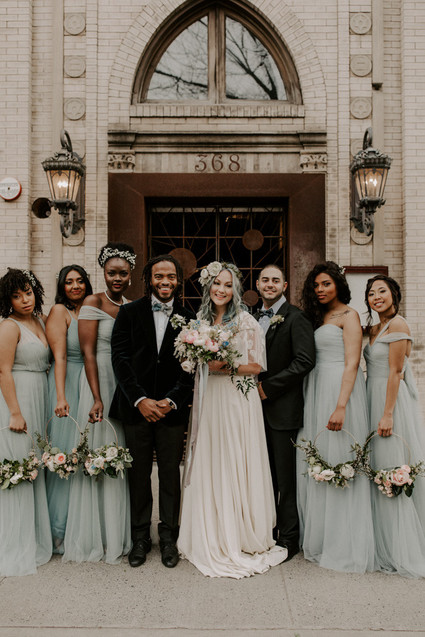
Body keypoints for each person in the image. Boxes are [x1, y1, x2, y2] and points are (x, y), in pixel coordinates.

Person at [177, 261, 286, 578]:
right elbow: (193, 361)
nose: (221, 290)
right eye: (217, 284)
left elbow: (256, 366)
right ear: (208, 287)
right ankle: (210, 528)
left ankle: (238, 532)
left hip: (237, 398)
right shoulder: (200, 321)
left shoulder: (246, 321)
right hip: (210, 399)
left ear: (235, 289)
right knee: (212, 458)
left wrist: (221, 366)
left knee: (235, 457)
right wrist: (195, 360)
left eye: (227, 285)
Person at [110, 254, 194, 569]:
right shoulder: (129, 312)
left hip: (172, 411)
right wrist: (140, 399)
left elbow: (191, 367)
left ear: (178, 281)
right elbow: (119, 358)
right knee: (139, 474)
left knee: (171, 474)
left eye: (170, 276)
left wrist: (171, 401)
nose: (165, 281)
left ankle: (169, 537)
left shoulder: (189, 318)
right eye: (159, 276)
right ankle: (140, 538)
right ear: (149, 280)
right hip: (136, 410)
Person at [297, 261, 375, 572]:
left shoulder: (349, 315)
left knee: (338, 457)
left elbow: (352, 363)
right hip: (315, 388)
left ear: (339, 285)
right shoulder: (317, 317)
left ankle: (343, 540)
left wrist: (341, 405)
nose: (320, 290)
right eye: (316, 285)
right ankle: (320, 535)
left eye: (326, 284)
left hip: (338, 389)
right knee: (317, 456)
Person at [63, 243, 135, 564]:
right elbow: (88, 353)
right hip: (99, 380)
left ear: (130, 275)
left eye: (123, 273)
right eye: (111, 273)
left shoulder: (131, 306)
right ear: (103, 273)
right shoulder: (92, 302)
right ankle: (93, 535)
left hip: (123, 384)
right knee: (97, 451)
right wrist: (96, 397)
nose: (117, 278)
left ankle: (115, 533)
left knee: (118, 451)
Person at [364, 275, 425, 577]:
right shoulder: (375, 328)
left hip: (389, 400)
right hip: (371, 395)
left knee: (391, 467)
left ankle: (400, 547)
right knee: (377, 466)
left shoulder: (398, 325)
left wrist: (387, 414)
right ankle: (381, 538)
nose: (376, 297)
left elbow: (396, 372)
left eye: (382, 291)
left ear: (394, 294)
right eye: (371, 293)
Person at [254, 265, 315, 562]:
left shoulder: (296, 317)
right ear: (257, 284)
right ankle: (267, 530)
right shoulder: (250, 317)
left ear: (285, 285)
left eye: (275, 280)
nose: (270, 284)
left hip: (282, 410)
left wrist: (268, 388)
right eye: (265, 280)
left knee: (285, 479)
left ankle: (289, 538)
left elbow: (304, 361)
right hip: (252, 412)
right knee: (263, 475)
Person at [0, 268, 52, 575]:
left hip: (40, 394)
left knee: (35, 462)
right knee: (19, 465)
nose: (24, 300)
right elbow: (3, 371)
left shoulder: (40, 321)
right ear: (8, 301)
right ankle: (16, 539)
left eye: (28, 293)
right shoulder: (9, 327)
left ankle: (35, 535)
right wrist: (15, 412)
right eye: (16, 296)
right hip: (18, 397)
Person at [45, 264, 92, 553]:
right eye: (69, 282)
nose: (75, 286)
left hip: (89, 383)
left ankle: (81, 524)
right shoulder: (59, 312)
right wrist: (61, 396)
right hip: (66, 383)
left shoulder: (90, 309)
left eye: (80, 281)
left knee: (85, 453)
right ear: (62, 287)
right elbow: (59, 357)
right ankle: (59, 529)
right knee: (65, 454)